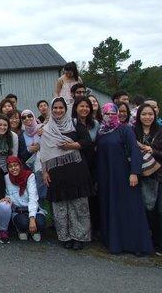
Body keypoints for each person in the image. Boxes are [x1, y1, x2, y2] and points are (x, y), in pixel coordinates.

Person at [96, 103, 154, 255]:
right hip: (106, 177)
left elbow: (135, 150)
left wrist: (134, 172)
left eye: (113, 113)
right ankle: (115, 243)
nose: (110, 116)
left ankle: (137, 244)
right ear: (102, 114)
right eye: (107, 113)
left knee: (130, 209)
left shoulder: (125, 129)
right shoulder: (101, 132)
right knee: (112, 208)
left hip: (124, 176)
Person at [40, 97, 93, 250]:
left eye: (61, 108)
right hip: (56, 172)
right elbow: (44, 152)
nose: (58, 111)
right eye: (55, 108)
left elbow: (87, 141)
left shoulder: (75, 123)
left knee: (78, 205)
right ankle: (65, 236)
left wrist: (70, 146)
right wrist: (44, 172)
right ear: (51, 109)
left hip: (76, 170)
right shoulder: (47, 128)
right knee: (61, 207)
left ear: (66, 109)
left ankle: (79, 237)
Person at [135, 103, 162, 255]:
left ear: (155, 115)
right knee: (147, 209)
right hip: (143, 176)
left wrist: (154, 151)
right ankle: (150, 240)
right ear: (139, 116)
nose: (147, 117)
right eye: (144, 114)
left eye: (150, 114)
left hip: (161, 176)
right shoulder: (134, 131)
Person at [72, 97, 100, 235]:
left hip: (92, 163)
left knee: (93, 197)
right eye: (81, 106)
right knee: (80, 199)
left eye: (87, 106)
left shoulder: (95, 124)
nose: (84, 109)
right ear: (76, 108)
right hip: (77, 164)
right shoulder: (71, 123)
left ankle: (94, 228)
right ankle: (81, 230)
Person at [3, 156, 46, 242]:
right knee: (23, 223)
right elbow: (7, 193)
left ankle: (35, 230)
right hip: (19, 211)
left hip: (34, 209)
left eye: (15, 165)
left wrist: (32, 218)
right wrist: (7, 197)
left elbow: (33, 197)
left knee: (40, 223)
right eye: (10, 166)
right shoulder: (7, 178)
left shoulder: (29, 176)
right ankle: (22, 230)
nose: (13, 168)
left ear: (20, 165)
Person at [20, 110, 45, 203]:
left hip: (45, 166)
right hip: (31, 169)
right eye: (24, 117)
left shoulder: (42, 128)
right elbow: (21, 155)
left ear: (34, 117)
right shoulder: (22, 135)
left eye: (30, 116)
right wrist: (29, 150)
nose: (27, 118)